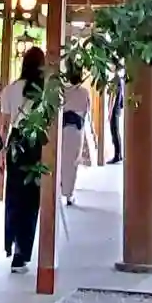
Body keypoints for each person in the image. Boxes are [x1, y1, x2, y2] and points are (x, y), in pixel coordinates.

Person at [0, 44, 46, 272]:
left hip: (15, 143)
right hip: (35, 142)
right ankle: (22, 252)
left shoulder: (10, 90)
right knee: (31, 198)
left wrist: (1, 156)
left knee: (14, 195)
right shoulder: (44, 92)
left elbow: (4, 126)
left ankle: (13, 245)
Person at [59, 61, 94, 206]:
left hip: (63, 128)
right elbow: (86, 111)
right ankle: (69, 194)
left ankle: (61, 189)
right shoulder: (84, 92)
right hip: (77, 129)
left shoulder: (63, 90)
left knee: (62, 159)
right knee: (72, 162)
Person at [109, 72, 124, 164]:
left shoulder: (116, 79)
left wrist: (110, 111)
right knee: (115, 131)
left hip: (115, 109)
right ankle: (118, 155)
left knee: (114, 131)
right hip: (117, 108)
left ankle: (117, 155)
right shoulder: (118, 79)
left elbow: (113, 97)